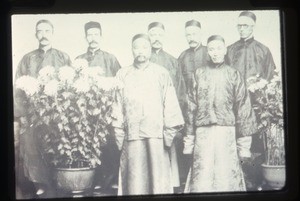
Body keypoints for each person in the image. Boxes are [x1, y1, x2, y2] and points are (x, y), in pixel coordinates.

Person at [111, 34, 184, 195]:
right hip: (132, 135)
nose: (140, 51)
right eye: (136, 47)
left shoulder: (161, 73)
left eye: (144, 47)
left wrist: (168, 135)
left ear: (150, 49)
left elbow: (170, 105)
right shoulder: (123, 74)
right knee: (134, 179)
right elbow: (117, 106)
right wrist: (119, 133)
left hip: (156, 136)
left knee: (158, 179)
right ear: (132, 50)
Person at [183, 35, 257, 193]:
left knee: (226, 173)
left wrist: (244, 145)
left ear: (225, 50)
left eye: (218, 48)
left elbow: (243, 107)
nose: (215, 53)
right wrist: (189, 141)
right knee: (202, 173)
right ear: (207, 52)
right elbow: (191, 107)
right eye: (211, 49)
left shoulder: (233, 74)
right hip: (203, 133)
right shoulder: (199, 73)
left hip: (226, 132)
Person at [14, 19, 71, 198]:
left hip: (57, 114)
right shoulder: (27, 58)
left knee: (56, 144)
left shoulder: (63, 57)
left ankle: (59, 181)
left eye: (47, 31)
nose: (44, 34)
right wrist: (21, 115)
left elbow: (69, 86)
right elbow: (17, 89)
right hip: (32, 114)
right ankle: (41, 184)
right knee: (32, 146)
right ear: (36, 34)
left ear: (52, 33)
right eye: (40, 31)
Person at [226, 11, 276, 190]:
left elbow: (271, 78)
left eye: (245, 25)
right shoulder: (230, 50)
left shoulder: (263, 50)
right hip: (235, 107)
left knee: (256, 144)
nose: (241, 29)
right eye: (239, 25)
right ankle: (240, 180)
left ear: (253, 26)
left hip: (257, 107)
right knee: (236, 142)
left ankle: (257, 182)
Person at [76, 21, 122, 194]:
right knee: (89, 145)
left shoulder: (110, 59)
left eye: (96, 34)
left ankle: (110, 181)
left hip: (107, 112)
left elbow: (118, 85)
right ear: (85, 37)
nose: (93, 38)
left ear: (101, 37)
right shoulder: (79, 60)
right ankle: (94, 181)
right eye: (90, 35)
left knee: (109, 145)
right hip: (86, 113)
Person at [147, 22, 186, 193]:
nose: (156, 38)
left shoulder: (172, 61)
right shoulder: (142, 60)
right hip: (148, 115)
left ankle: (171, 185)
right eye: (153, 34)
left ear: (164, 37)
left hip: (166, 114)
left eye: (159, 35)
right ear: (148, 36)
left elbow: (179, 90)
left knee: (168, 148)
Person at [178, 20, 208, 92]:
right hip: (188, 99)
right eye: (188, 35)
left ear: (201, 34)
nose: (191, 38)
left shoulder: (209, 52)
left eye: (194, 34)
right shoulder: (182, 56)